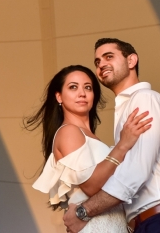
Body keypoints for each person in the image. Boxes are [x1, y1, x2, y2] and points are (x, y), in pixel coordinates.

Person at [63, 38, 160, 233]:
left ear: (131, 61)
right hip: (147, 224)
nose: (101, 64)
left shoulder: (144, 99)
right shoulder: (125, 110)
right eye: (97, 62)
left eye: (109, 57)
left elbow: (135, 171)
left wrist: (83, 212)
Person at [26, 64, 152, 232]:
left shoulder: (88, 136)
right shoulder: (68, 132)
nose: (82, 93)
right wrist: (123, 145)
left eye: (88, 87)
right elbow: (91, 186)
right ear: (59, 96)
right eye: (73, 87)